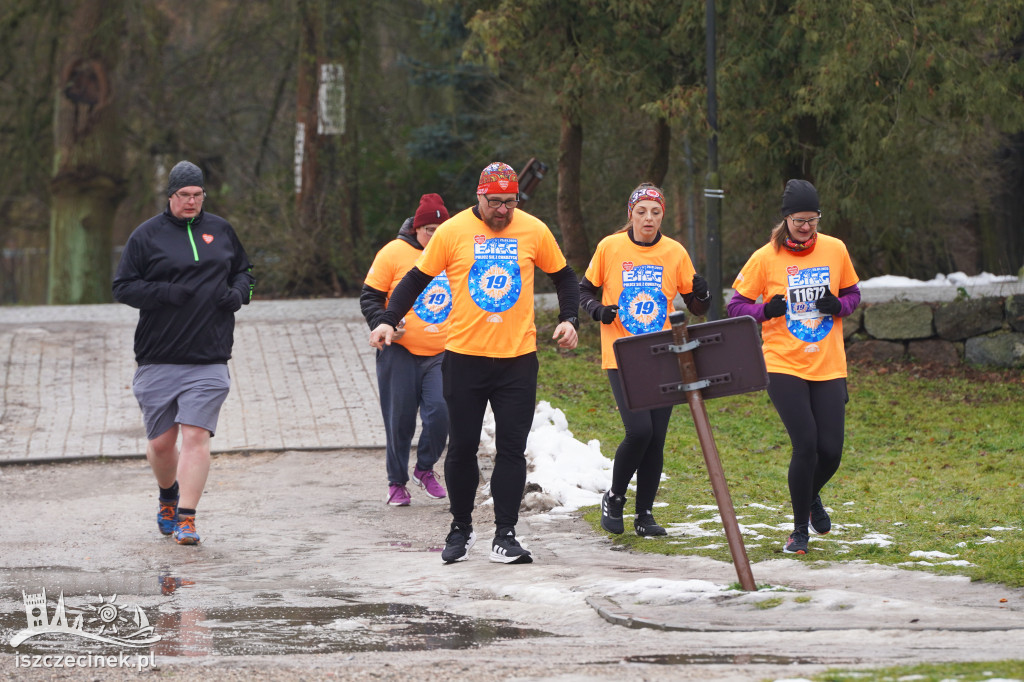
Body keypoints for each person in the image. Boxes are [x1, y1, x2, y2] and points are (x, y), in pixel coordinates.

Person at [369, 161, 580, 565]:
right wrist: (386, 320)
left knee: (511, 450)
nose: (503, 211)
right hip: (464, 358)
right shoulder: (451, 232)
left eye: (510, 202)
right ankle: (461, 528)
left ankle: (505, 534)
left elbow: (565, 276)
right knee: (462, 447)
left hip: (518, 359)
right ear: (478, 197)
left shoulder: (534, 229)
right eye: (495, 202)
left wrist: (569, 319)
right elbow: (415, 279)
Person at [113, 160, 254, 545]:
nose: (192, 201)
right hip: (158, 355)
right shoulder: (146, 236)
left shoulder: (221, 230)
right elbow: (122, 287)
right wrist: (164, 294)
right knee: (162, 443)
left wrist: (239, 294)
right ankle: (168, 496)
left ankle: (187, 518)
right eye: (184, 195)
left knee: (196, 436)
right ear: (170, 196)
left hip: (210, 355)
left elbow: (245, 273)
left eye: (197, 195)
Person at [727, 179, 861, 555]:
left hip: (828, 362)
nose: (806, 227)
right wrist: (764, 310)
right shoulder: (764, 257)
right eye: (800, 220)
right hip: (783, 362)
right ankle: (798, 531)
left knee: (831, 450)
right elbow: (735, 306)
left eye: (813, 220)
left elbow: (853, 294)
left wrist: (840, 306)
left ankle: (810, 494)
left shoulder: (835, 249)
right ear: (786, 218)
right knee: (806, 445)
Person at [580, 183, 711, 538]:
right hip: (622, 354)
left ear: (662, 215)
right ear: (630, 214)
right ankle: (615, 497)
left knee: (656, 439)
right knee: (639, 431)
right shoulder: (610, 247)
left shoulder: (675, 252)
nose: (648, 218)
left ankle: (645, 515)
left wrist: (702, 293)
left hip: (663, 354)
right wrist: (598, 311)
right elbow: (584, 290)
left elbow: (698, 307)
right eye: (641, 212)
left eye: (655, 212)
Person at [360, 193, 451, 506]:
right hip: (399, 351)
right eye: (429, 231)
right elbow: (370, 297)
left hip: (441, 351)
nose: (434, 237)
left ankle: (425, 468)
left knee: (441, 412)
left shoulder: (455, 254)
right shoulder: (393, 253)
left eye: (441, 231)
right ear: (416, 229)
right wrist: (383, 323)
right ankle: (396, 483)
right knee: (400, 421)